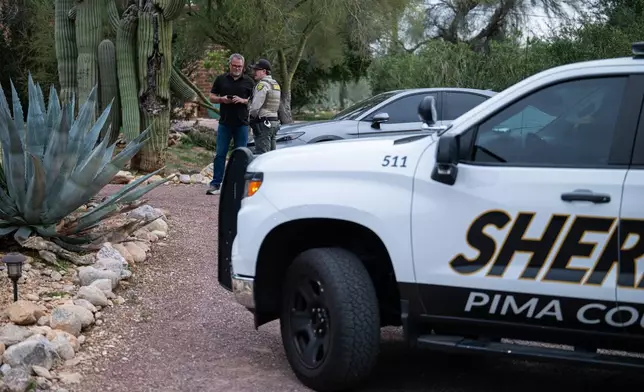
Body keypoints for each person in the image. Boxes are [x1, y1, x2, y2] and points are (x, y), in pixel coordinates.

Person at [206, 53, 255, 195]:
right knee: (220, 154)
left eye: (240, 66)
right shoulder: (221, 79)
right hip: (225, 123)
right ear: (230, 65)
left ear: (243, 66)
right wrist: (222, 99)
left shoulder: (249, 82)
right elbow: (212, 97)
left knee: (241, 155)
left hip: (242, 123)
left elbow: (255, 100)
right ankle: (215, 184)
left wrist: (243, 100)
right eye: (234, 66)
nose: (237, 68)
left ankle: (239, 185)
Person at [248, 59, 281, 154]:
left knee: (262, 154)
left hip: (263, 123)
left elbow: (255, 107)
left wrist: (251, 118)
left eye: (257, 70)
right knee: (272, 155)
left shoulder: (262, 85)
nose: (254, 72)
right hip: (274, 121)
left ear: (264, 71)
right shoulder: (275, 84)